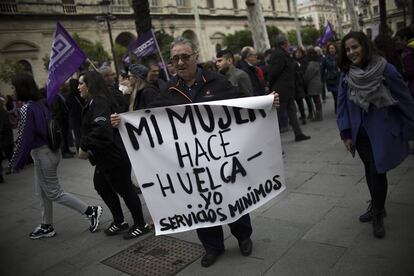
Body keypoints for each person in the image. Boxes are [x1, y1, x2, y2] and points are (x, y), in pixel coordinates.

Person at [111, 37, 280, 267]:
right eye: (175, 59)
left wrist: (265, 102)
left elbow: (240, 102)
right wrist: (123, 122)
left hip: (222, 159)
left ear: (195, 57)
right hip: (193, 167)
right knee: (201, 203)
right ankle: (212, 246)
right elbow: (148, 119)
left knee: (233, 197)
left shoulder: (216, 81)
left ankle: (243, 236)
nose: (180, 62)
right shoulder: (168, 90)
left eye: (185, 56)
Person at [336, 31, 414, 238]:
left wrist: (410, 128)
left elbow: (405, 99)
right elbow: (341, 106)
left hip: (383, 132)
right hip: (359, 135)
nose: (352, 52)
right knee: (370, 170)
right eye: (348, 49)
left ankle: (378, 212)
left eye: (355, 47)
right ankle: (377, 205)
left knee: (378, 171)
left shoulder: (385, 69)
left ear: (365, 46)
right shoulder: (347, 74)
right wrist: (345, 133)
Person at [9, 73, 102, 239]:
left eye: (14, 87)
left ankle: (90, 211)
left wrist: (16, 163)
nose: (12, 90)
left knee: (53, 192)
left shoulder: (26, 108)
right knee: (43, 191)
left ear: (21, 88)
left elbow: (24, 137)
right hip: (51, 152)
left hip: (42, 153)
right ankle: (46, 225)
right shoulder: (40, 104)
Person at [78, 71, 150, 239]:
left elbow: (102, 131)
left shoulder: (99, 101)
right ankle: (119, 221)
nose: (78, 87)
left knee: (125, 189)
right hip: (106, 156)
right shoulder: (94, 101)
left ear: (90, 85)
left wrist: (84, 143)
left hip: (114, 156)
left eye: (81, 83)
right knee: (102, 186)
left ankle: (141, 224)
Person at [268, 34, 311, 142]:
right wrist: (271, 86)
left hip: (286, 88)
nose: (289, 44)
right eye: (287, 42)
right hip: (281, 89)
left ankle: (298, 134)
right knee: (277, 114)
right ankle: (270, 139)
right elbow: (274, 72)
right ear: (284, 43)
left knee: (291, 110)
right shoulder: (279, 54)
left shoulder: (282, 53)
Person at [304, 47, 324, 121]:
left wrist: (304, 81)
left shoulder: (312, 64)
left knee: (316, 101)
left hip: (313, 85)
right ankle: (319, 115)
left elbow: (308, 75)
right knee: (317, 100)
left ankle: (318, 116)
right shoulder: (316, 62)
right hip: (317, 83)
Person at [321, 43, 340, 113]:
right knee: (336, 95)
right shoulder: (325, 59)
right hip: (331, 80)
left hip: (339, 78)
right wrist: (322, 80)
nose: (331, 50)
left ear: (335, 49)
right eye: (330, 48)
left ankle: (339, 109)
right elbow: (322, 69)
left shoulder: (339, 57)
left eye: (332, 48)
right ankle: (338, 110)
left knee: (339, 95)